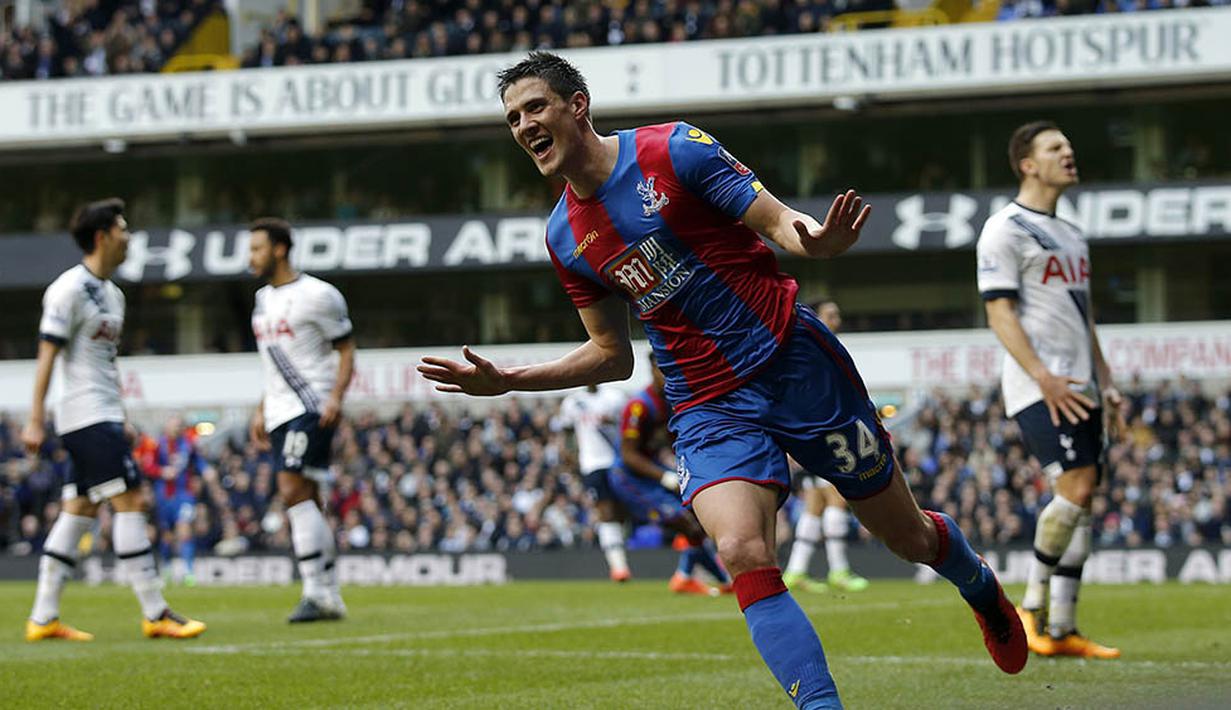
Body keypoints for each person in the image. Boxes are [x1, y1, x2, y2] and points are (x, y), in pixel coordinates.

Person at [419, 52, 1026, 708]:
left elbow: (774, 221)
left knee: (906, 538)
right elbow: (610, 354)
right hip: (707, 402)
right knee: (739, 548)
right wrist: (509, 378)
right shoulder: (564, 236)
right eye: (512, 118)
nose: (522, 125)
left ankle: (979, 588)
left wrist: (814, 241)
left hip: (796, 365)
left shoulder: (674, 150)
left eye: (534, 107)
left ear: (576, 105)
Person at [22, 198, 206, 641]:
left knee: (79, 510)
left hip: (104, 414)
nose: (129, 236)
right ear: (102, 236)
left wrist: (121, 416)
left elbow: (106, 363)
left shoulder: (113, 295)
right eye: (123, 229)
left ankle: (43, 617)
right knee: (132, 500)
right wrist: (34, 417)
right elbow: (47, 354)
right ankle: (155, 610)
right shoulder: (67, 290)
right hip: (84, 415)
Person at [977, 120, 1123, 660]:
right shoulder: (1005, 229)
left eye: (1069, 143)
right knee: (1077, 488)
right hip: (1040, 385)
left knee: (1083, 501)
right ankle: (1029, 608)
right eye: (1055, 147)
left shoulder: (1072, 232)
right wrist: (1042, 375)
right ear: (1027, 164)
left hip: (1081, 384)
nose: (1070, 152)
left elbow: (1084, 317)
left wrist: (1106, 381)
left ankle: (1062, 629)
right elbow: (999, 313)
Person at [247, 217, 355, 623]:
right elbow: (274, 361)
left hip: (310, 405)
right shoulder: (261, 301)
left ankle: (315, 591)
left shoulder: (319, 295)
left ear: (279, 249)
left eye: (257, 248)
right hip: (277, 409)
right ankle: (329, 595)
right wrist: (261, 407)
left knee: (290, 489)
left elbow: (346, 349)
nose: (250, 257)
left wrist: (335, 398)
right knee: (305, 497)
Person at [607, 354, 730, 596]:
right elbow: (629, 456)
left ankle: (696, 578)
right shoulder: (639, 406)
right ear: (652, 370)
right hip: (629, 477)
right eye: (662, 370)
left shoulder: (671, 402)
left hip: (653, 472)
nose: (668, 376)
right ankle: (703, 578)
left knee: (696, 520)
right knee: (684, 522)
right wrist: (665, 477)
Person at [782, 300, 869, 593]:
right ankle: (839, 569)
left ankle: (795, 571)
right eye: (831, 315)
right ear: (816, 318)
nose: (838, 320)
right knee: (835, 498)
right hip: (821, 430)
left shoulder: (818, 347)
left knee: (815, 504)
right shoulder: (815, 348)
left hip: (814, 430)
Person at [556, 382, 630, 580]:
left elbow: (630, 426)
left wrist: (613, 423)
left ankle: (620, 553)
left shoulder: (616, 398)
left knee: (623, 511)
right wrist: (568, 454)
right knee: (605, 511)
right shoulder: (572, 402)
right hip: (592, 464)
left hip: (619, 461)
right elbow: (567, 432)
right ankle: (619, 567)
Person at [151, 416, 205, 586]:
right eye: (174, 425)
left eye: (180, 426)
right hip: (164, 495)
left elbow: (198, 461)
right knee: (167, 536)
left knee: (184, 529)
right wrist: (162, 471)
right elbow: (148, 466)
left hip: (184, 494)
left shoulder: (188, 444)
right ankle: (166, 569)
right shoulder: (158, 444)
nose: (177, 429)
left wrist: (207, 471)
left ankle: (189, 572)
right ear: (167, 427)